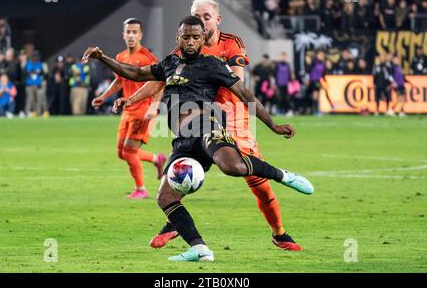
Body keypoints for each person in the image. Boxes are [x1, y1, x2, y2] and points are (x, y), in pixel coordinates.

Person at [82, 16, 314, 262]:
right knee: (165, 196)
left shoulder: (212, 65)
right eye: (186, 37)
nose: (190, 41)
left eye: (195, 37)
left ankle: (283, 175)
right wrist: (103, 58)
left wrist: (273, 126)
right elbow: (137, 74)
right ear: (178, 38)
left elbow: (246, 94)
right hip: (184, 140)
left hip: (206, 125)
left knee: (232, 166)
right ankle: (200, 249)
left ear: (203, 39)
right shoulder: (169, 63)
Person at [91, 18, 167, 199]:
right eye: (128, 32)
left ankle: (140, 189)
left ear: (140, 35)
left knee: (129, 151)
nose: (131, 35)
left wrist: (154, 108)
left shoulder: (148, 58)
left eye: (135, 32)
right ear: (123, 35)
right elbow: (119, 81)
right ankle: (157, 159)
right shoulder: (121, 57)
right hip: (128, 111)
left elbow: (160, 82)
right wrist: (104, 97)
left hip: (144, 111)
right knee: (121, 153)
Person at [24, 51, 48, 117]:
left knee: (39, 99)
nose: (35, 58)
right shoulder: (27, 64)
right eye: (34, 56)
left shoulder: (41, 64)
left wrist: (39, 75)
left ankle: (39, 113)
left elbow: (45, 74)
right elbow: (24, 73)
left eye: (36, 56)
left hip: (38, 84)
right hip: (29, 85)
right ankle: (28, 113)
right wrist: (31, 72)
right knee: (30, 100)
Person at [274, 52, 292, 116]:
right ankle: (278, 110)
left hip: (286, 84)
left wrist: (290, 82)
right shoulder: (277, 64)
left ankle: (287, 110)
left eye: (284, 56)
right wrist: (275, 84)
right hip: (279, 84)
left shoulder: (287, 64)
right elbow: (275, 74)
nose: (283, 58)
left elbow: (289, 74)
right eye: (282, 56)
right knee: (280, 98)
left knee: (286, 98)